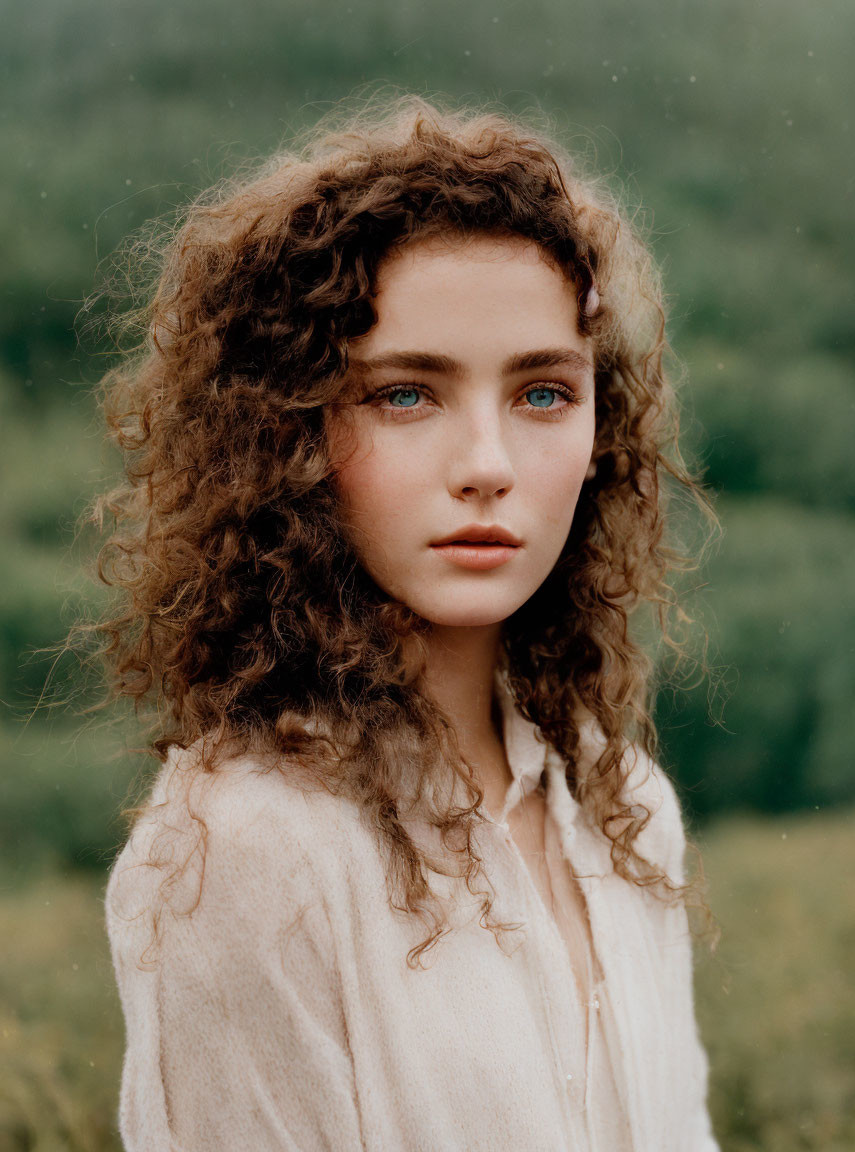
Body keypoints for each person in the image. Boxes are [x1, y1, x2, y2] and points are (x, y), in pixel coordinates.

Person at [99, 95, 719, 1151]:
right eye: (403, 395)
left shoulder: (622, 809)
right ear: (283, 435)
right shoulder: (250, 849)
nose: (486, 465)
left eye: (540, 394)